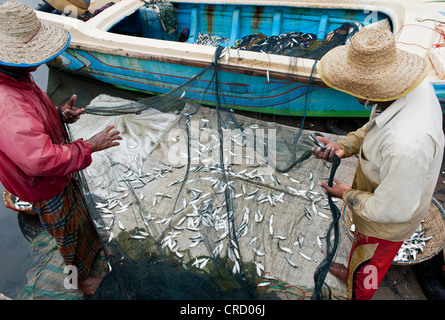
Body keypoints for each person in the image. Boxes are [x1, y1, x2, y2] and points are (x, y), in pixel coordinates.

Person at [312, 26, 444, 300]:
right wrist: (344, 146)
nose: (355, 95)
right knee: (360, 253)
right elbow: (377, 126)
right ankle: (352, 270)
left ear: (372, 88)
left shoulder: (407, 146)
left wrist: (346, 194)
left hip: (388, 224)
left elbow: (390, 210)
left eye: (356, 88)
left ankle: (357, 291)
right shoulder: (409, 86)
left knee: (369, 269)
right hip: (386, 190)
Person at [0, 1, 122, 295]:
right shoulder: (7, 103)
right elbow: (39, 160)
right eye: (35, 55)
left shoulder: (17, 79)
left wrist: (57, 114)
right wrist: (88, 146)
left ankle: (88, 261)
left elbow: (28, 129)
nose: (40, 62)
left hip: (58, 177)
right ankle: (76, 283)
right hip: (43, 186)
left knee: (79, 224)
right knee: (65, 238)